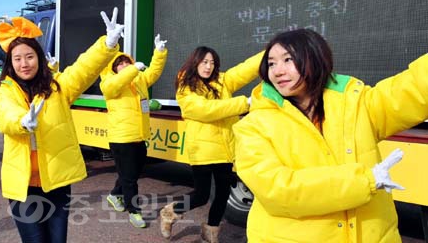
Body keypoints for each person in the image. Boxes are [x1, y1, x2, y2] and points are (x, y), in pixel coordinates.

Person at [232, 28, 428, 242]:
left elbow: (411, 89)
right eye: (271, 63)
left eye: (288, 60)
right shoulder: (253, 126)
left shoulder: (357, 105)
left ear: (315, 58)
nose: (277, 71)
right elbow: (279, 190)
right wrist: (365, 181)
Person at [0, 8, 123, 242]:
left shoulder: (57, 87)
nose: (24, 64)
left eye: (29, 56)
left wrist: (107, 44)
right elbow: (5, 115)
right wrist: (22, 122)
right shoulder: (2, 93)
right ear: (10, 63)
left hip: (56, 183)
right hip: (23, 187)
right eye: (18, 58)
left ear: (39, 58)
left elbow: (83, 70)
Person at [159, 46, 263, 242]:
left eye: (212, 63)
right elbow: (206, 110)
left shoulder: (222, 81)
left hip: (225, 149)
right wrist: (245, 103)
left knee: (222, 195)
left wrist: (270, 53)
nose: (208, 67)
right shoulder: (185, 89)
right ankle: (169, 213)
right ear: (195, 62)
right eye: (204, 62)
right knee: (201, 195)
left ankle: (210, 232)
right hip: (203, 151)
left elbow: (246, 68)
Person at [101, 34, 168, 228]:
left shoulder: (137, 81)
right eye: (119, 63)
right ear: (113, 68)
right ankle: (134, 211)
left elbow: (153, 73)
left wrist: (160, 53)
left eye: (126, 62)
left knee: (132, 173)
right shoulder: (109, 83)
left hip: (139, 136)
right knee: (130, 179)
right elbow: (114, 85)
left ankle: (114, 195)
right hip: (121, 139)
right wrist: (132, 70)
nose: (124, 65)